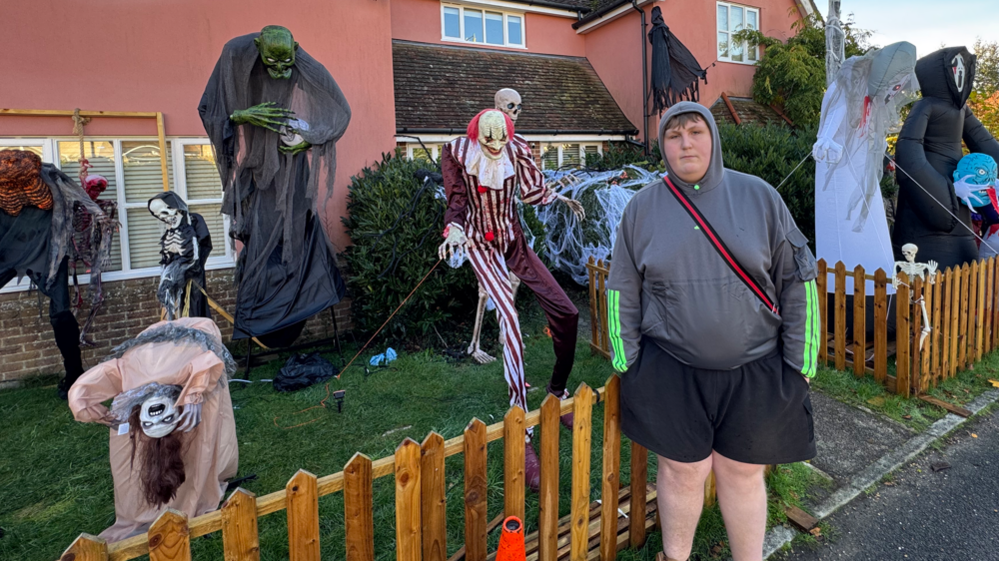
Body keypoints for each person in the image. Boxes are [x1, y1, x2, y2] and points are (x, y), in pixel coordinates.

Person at [607, 102, 818, 561]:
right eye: (674, 135)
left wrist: (801, 363)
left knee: (742, 471)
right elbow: (621, 288)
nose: (685, 143)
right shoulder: (641, 210)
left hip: (755, 365)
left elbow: (799, 277)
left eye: (695, 132)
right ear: (662, 145)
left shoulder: (760, 197)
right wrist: (628, 362)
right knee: (683, 470)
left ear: (713, 138)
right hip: (672, 367)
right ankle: (675, 557)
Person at [438, 109, 582, 490]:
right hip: (479, 245)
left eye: (501, 139)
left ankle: (556, 389)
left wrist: (561, 198)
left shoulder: (517, 148)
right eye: (490, 141)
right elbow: (455, 201)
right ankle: (521, 428)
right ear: (478, 136)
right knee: (511, 322)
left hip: (513, 241)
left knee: (567, 313)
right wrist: (452, 229)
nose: (496, 147)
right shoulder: (456, 151)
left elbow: (533, 191)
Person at [67, 317, 238, 542]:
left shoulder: (139, 371)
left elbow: (210, 363)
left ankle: (202, 476)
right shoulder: (128, 373)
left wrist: (195, 394)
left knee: (207, 409)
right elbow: (83, 389)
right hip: (155, 345)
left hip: (198, 334)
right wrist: (95, 412)